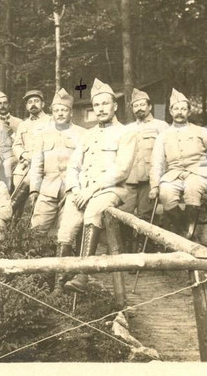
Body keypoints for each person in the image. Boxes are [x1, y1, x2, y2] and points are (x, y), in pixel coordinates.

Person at [59, 78, 137, 294]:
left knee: (93, 211)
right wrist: (75, 190)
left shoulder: (127, 133)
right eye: (97, 105)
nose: (101, 109)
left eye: (105, 104)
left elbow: (122, 169)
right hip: (82, 191)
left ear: (115, 106)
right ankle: (59, 283)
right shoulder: (88, 134)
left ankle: (83, 275)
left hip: (109, 190)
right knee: (65, 229)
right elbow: (73, 166)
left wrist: (91, 190)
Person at [150, 88, 207, 239]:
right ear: (170, 111)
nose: (180, 112)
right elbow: (156, 163)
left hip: (198, 173)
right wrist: (154, 186)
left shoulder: (201, 131)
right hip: (173, 175)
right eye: (176, 109)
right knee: (165, 192)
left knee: (192, 189)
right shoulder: (163, 136)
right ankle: (182, 230)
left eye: (183, 109)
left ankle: (190, 234)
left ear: (189, 112)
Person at [27, 89, 84, 293]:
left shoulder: (81, 134)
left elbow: (85, 165)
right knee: (36, 230)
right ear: (52, 112)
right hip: (47, 189)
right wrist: (34, 190)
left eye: (65, 110)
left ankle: (60, 282)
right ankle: (35, 279)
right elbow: (36, 165)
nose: (60, 113)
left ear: (71, 113)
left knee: (65, 234)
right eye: (57, 110)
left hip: (70, 191)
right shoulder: (42, 134)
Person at [123, 88, 170, 252]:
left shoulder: (161, 126)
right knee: (125, 214)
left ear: (149, 106)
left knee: (145, 216)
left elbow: (168, 153)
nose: (139, 108)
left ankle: (143, 250)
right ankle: (127, 250)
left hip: (149, 180)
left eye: (142, 104)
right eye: (135, 106)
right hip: (129, 179)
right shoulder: (127, 129)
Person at [10, 89, 52, 214]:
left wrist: (37, 158)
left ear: (43, 104)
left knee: (29, 181)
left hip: (44, 164)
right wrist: (24, 155)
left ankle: (11, 211)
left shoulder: (50, 121)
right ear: (26, 106)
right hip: (25, 163)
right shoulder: (23, 124)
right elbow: (16, 145)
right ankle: (16, 218)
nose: (33, 104)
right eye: (29, 102)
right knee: (17, 178)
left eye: (36, 101)